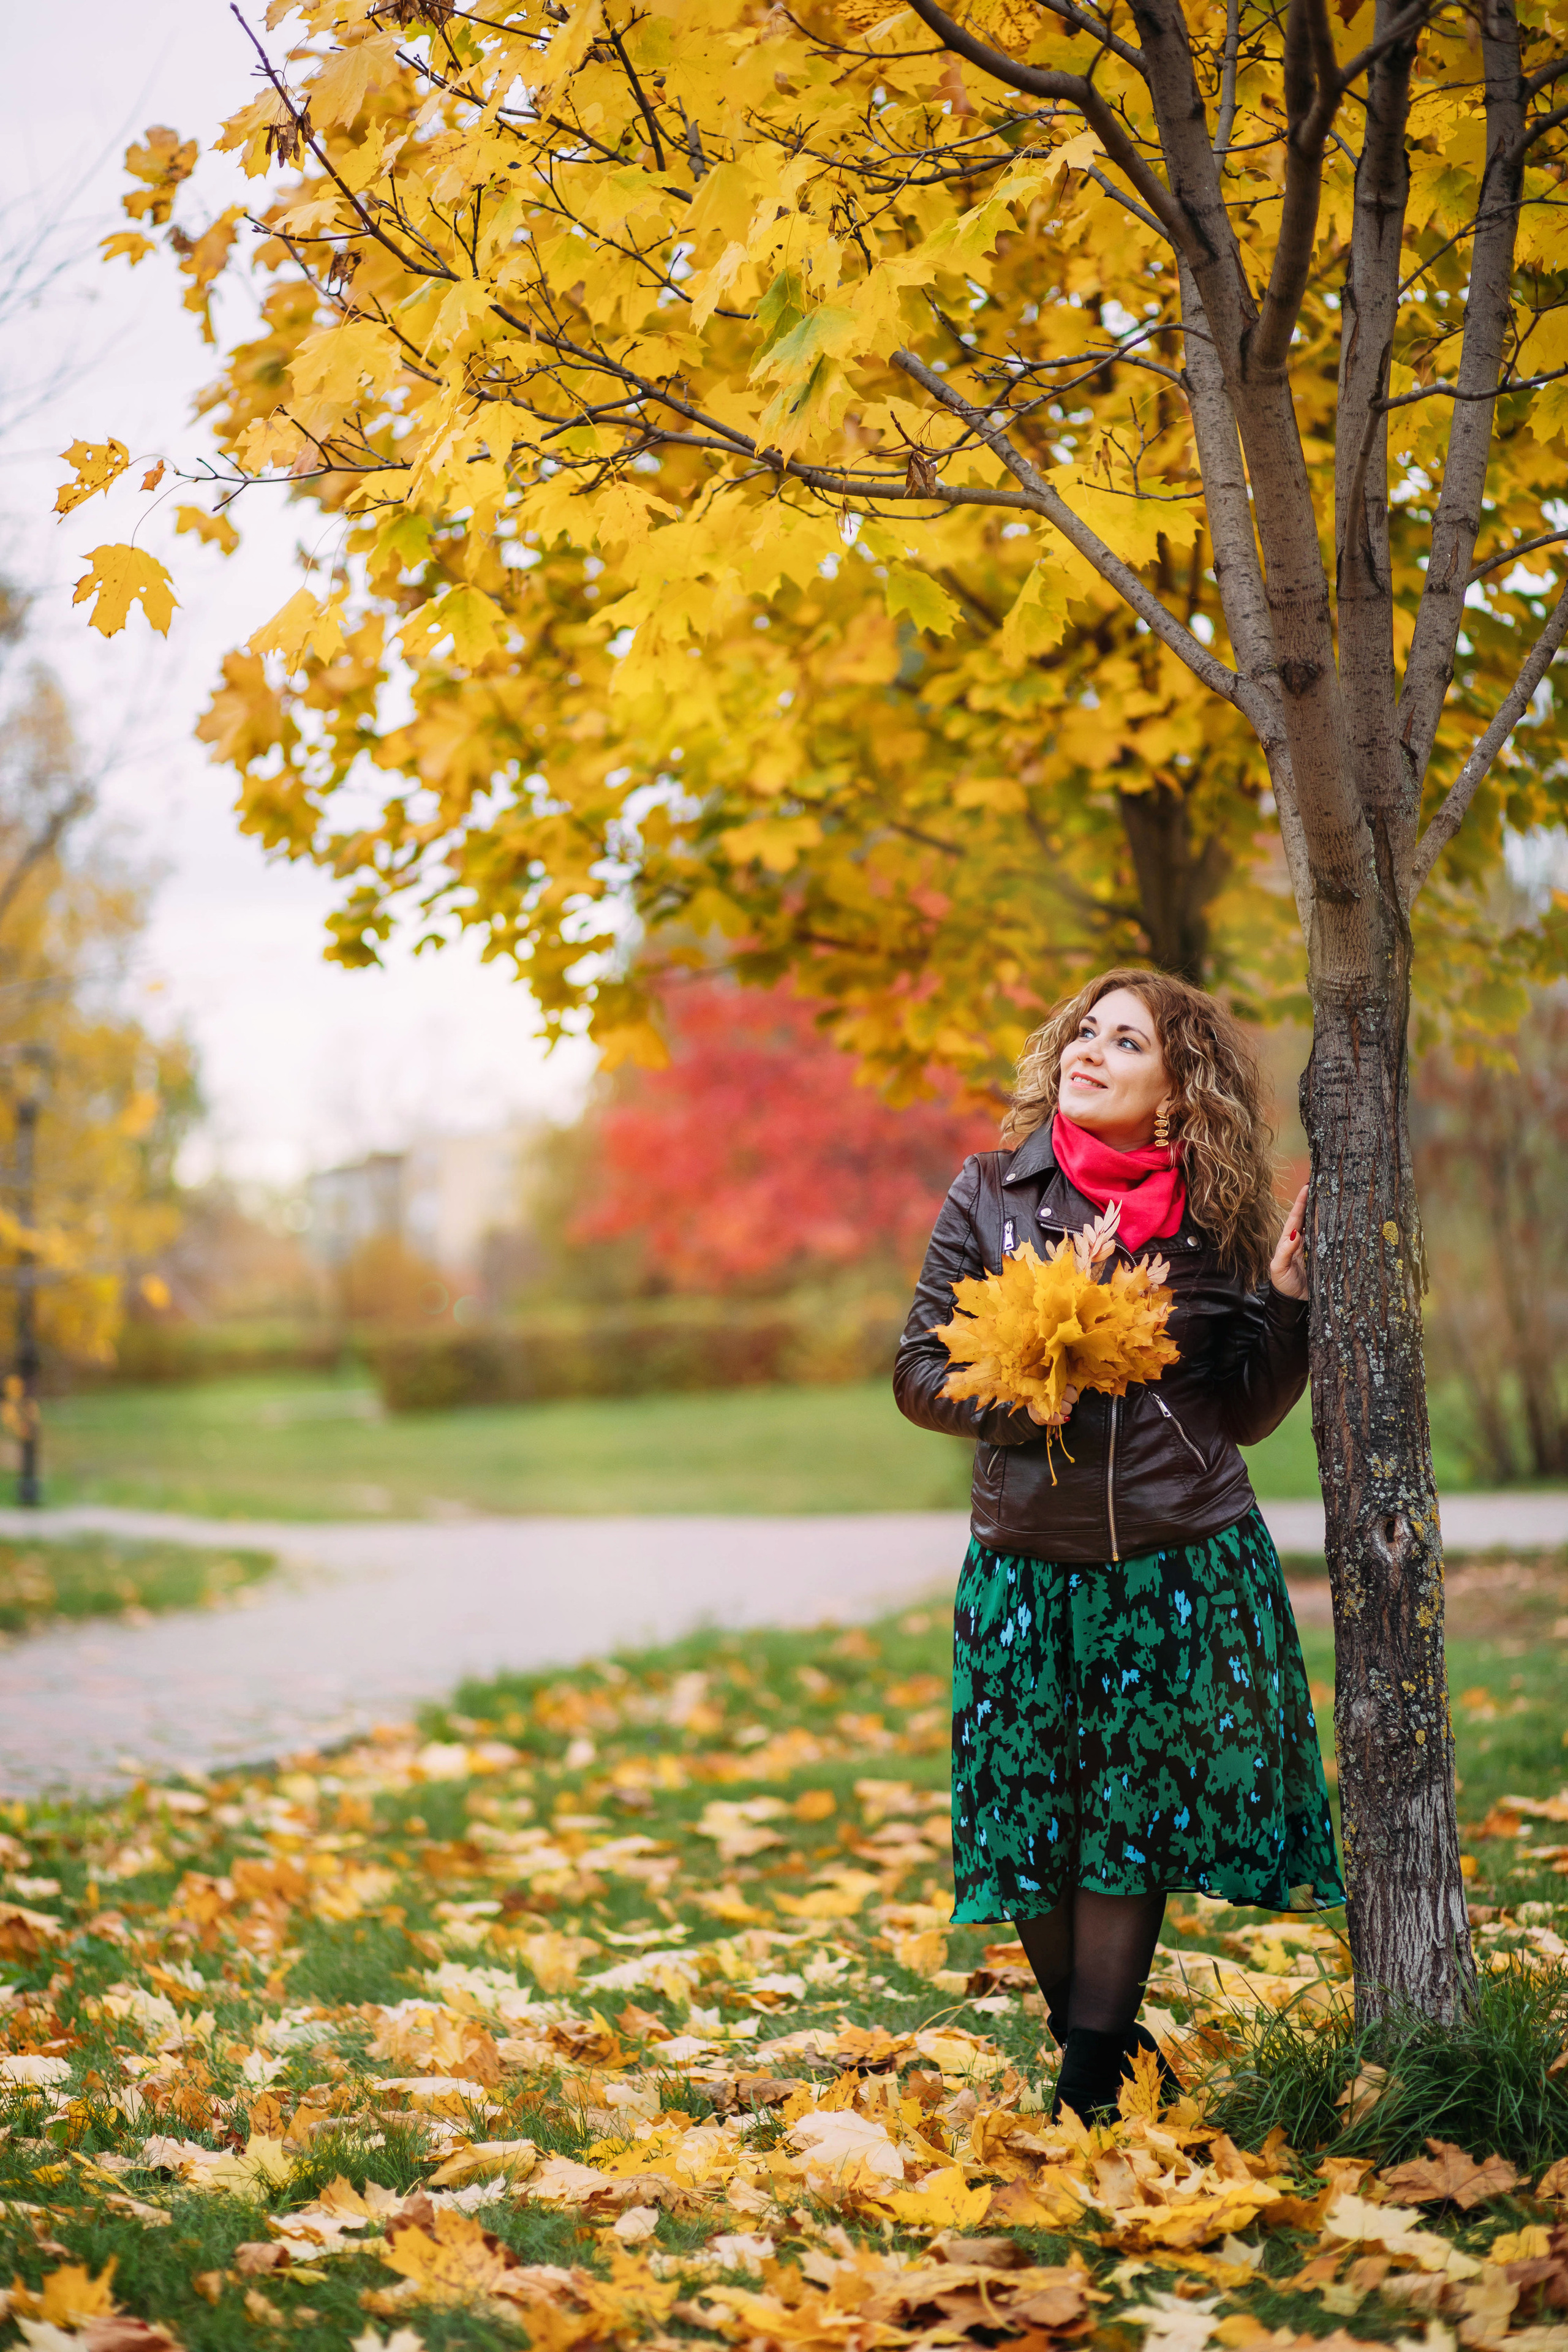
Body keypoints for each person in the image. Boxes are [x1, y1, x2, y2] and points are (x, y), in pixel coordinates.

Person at [894, 969, 1343, 2122]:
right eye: (1084, 1032)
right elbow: (914, 1372)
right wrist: (1014, 1388)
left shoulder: (1214, 1217)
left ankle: (1088, 2088)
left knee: (1127, 1826)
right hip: (1023, 1565)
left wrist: (1285, 1303)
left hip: (1174, 1560)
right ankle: (1113, 2052)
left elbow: (1239, 1410)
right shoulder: (990, 1193)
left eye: (1126, 1041)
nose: (1088, 1050)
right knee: (1024, 1825)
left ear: (1179, 1093)